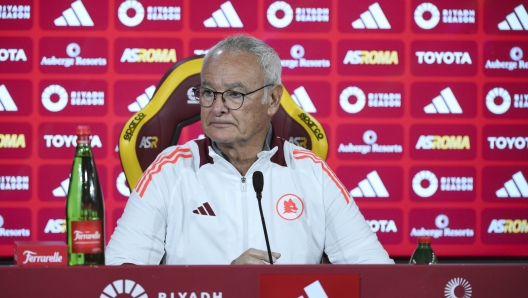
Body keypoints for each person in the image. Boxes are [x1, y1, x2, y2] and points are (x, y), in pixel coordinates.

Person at [105, 35, 393, 265]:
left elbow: (373, 270)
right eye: (207, 93)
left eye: (235, 94)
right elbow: (120, 274)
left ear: (273, 99)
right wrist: (228, 286)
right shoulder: (169, 170)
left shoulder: (311, 172)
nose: (217, 107)